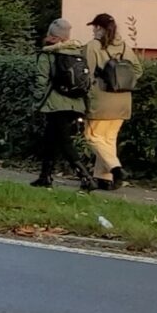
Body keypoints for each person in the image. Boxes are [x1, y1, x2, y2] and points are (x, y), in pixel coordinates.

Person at [32, 17, 95, 190]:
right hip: (76, 104)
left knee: (64, 141)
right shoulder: (78, 52)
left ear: (52, 36)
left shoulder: (48, 54)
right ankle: (45, 176)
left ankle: (86, 177)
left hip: (55, 104)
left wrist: (37, 101)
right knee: (50, 139)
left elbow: (41, 80)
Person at [81, 12, 141, 191]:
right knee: (108, 139)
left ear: (99, 28)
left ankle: (116, 169)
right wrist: (123, 82)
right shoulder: (123, 46)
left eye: (94, 27)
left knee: (92, 137)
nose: (93, 30)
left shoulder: (93, 46)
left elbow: (86, 73)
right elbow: (137, 69)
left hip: (101, 100)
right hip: (123, 100)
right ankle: (104, 179)